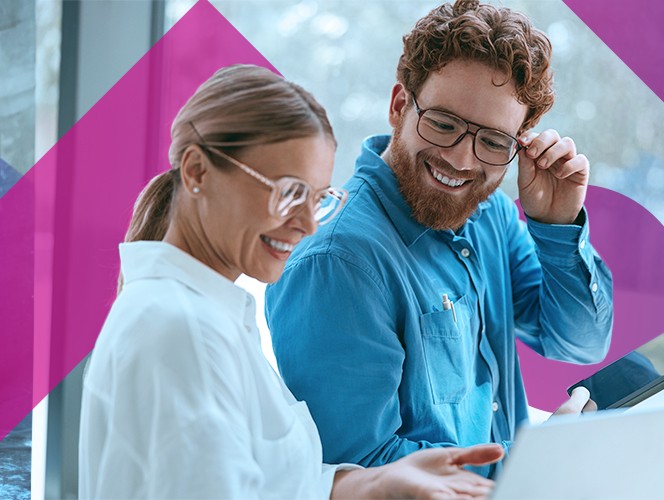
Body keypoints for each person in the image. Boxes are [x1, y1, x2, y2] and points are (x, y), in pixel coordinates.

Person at [78, 64, 505, 499]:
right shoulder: (183, 332)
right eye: (288, 192)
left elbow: (269, 485)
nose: (307, 225)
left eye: (317, 199)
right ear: (197, 172)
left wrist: (374, 482)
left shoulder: (203, 317)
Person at [265, 0, 613, 478]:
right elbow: (358, 470)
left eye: (492, 141)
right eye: (444, 124)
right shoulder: (339, 262)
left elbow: (579, 342)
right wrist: (531, 465)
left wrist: (557, 226)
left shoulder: (489, 215)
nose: (462, 160)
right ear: (399, 107)